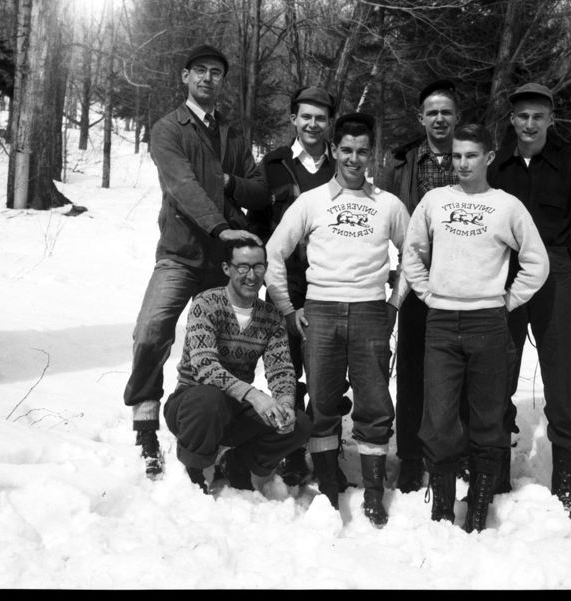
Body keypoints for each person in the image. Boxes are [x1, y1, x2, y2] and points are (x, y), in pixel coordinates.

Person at [123, 44, 269, 478]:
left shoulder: (233, 133)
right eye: (200, 71)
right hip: (182, 253)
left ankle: (217, 433)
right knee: (151, 330)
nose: (208, 78)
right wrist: (220, 226)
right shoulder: (169, 129)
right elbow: (182, 186)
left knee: (226, 347)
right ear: (185, 77)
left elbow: (260, 190)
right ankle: (146, 425)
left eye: (217, 73)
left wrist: (229, 181)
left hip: (225, 262)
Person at [265, 113, 410, 527]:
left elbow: (414, 255)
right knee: (324, 403)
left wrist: (394, 303)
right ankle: (329, 487)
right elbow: (275, 253)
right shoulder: (310, 202)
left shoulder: (388, 204)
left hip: (369, 312)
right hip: (321, 311)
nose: (354, 158)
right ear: (334, 150)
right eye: (346, 149)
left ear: (371, 154)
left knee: (375, 403)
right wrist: (289, 309)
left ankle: (374, 492)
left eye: (362, 150)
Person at [402, 123, 548, 531]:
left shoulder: (507, 206)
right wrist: (427, 293)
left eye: (470, 155)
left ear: (487, 158)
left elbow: (537, 262)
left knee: (488, 418)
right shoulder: (434, 201)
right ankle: (443, 508)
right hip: (442, 323)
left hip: (488, 322)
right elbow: (412, 253)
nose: (462, 163)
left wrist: (509, 300)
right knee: (440, 418)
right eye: (456, 155)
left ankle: (479, 508)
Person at [487, 82, 571, 521]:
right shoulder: (497, 169)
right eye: (522, 116)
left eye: (538, 116)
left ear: (551, 120)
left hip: (554, 275)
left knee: (560, 377)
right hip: (508, 277)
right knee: (498, 375)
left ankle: (565, 484)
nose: (530, 124)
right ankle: (494, 475)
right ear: (512, 120)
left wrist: (562, 265)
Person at [248, 86, 351, 488]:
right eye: (305, 116)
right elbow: (256, 227)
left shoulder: (341, 167)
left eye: (321, 118)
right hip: (282, 288)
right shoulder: (272, 164)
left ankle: (329, 456)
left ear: (329, 124)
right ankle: (291, 450)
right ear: (293, 118)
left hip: (327, 287)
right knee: (285, 373)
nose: (312, 124)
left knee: (327, 377)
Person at [163, 238, 312, 493]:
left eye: (258, 267)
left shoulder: (271, 317)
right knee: (210, 400)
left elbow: (281, 370)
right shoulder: (206, 303)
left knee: (298, 423)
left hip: (234, 408)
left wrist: (285, 404)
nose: (251, 275)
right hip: (192, 404)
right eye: (242, 267)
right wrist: (254, 395)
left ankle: (239, 461)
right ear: (226, 268)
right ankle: (196, 469)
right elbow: (204, 366)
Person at [377, 79, 461, 493]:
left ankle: (450, 453)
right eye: (432, 112)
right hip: (415, 280)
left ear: (456, 117)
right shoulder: (402, 164)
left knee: (456, 371)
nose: (439, 119)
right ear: (421, 118)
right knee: (411, 370)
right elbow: (389, 218)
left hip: (463, 282)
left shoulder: (470, 159)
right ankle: (410, 456)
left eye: (446, 111)